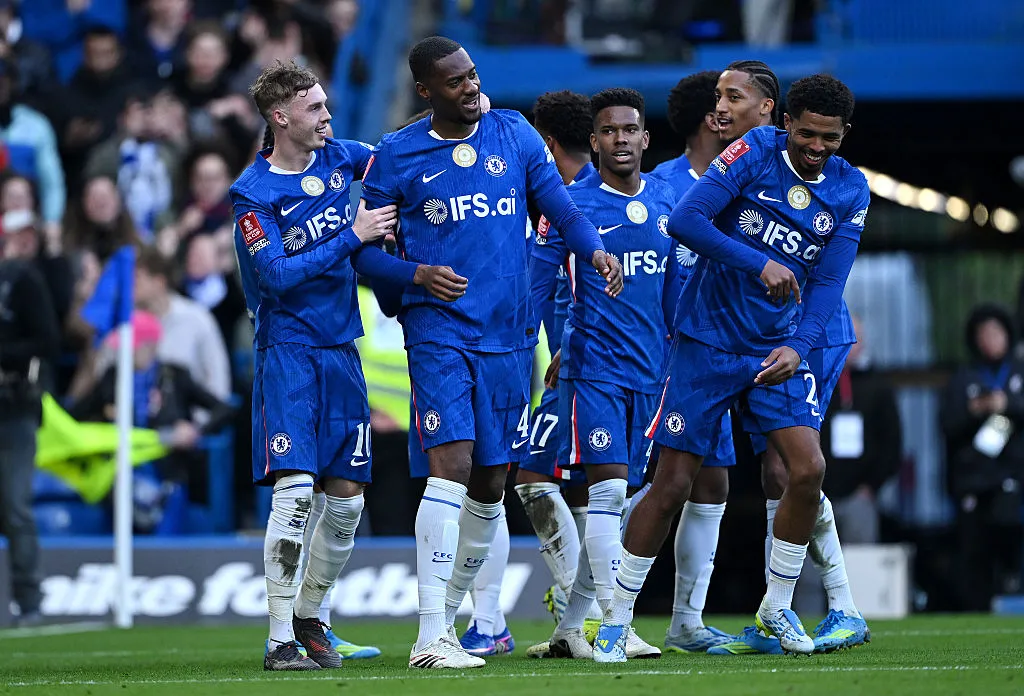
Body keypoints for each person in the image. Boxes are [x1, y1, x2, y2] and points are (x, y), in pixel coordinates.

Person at [361, 35, 622, 669]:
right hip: (440, 331)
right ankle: (430, 636)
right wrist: (415, 276)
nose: (471, 88)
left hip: (510, 336)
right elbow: (364, 251)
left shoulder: (514, 135)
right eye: (455, 82)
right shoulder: (396, 154)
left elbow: (559, 209)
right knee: (450, 465)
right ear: (427, 91)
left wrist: (593, 249)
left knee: (490, 480)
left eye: (473, 75)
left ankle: (456, 623)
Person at [595, 73, 869, 661]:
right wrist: (758, 264)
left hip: (776, 350)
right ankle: (615, 619)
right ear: (785, 123)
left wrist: (800, 345)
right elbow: (686, 220)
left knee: (806, 468)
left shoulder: (851, 191)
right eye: (806, 135)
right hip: (708, 343)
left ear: (844, 135)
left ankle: (777, 606)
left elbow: (827, 282)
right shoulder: (753, 151)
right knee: (671, 484)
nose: (816, 148)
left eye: (830, 138)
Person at [231, 60, 466, 671]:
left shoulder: (342, 157)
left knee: (346, 499)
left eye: (327, 106)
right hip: (289, 354)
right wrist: (353, 234)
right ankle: (279, 636)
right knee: (295, 492)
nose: (327, 117)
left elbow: (397, 151)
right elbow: (276, 276)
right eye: (314, 110)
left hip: (342, 349)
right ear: (280, 118)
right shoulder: (254, 196)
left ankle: (311, 618)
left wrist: (455, 111)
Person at [706, 62, 869, 656]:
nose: (720, 108)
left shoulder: (825, 176)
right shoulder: (731, 166)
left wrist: (800, 341)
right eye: (716, 98)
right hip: (751, 336)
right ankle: (788, 609)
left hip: (810, 336)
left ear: (769, 110)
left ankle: (836, 606)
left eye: (734, 98)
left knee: (792, 469)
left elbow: (826, 279)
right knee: (781, 471)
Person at [522, 88, 670, 662]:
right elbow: (538, 285)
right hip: (594, 369)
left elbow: (676, 290)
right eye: (610, 132)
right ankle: (618, 624)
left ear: (645, 137)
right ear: (595, 140)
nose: (621, 140)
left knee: (624, 498)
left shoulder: (664, 202)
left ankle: (572, 626)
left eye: (630, 130)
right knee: (605, 492)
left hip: (650, 372)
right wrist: (536, 347)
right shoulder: (568, 206)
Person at [644, 69, 738, 654]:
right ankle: (591, 594)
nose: (736, 111)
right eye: (726, 102)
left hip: (719, 354)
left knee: (711, 481)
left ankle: (687, 619)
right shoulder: (660, 188)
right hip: (662, 358)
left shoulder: (746, 184)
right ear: (713, 117)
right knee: (654, 483)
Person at [511, 89, 595, 644]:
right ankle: (590, 607)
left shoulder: (571, 202)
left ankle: (583, 600)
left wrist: (571, 340)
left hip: (588, 364)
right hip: (584, 360)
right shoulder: (591, 194)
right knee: (588, 488)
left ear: (545, 142)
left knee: (531, 475)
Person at [941, 304, 1024, 610]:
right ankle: (976, 607)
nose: (991, 339)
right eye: (984, 334)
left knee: (1011, 548)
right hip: (974, 481)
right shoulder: (964, 378)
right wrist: (974, 411)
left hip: (1013, 479)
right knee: (975, 553)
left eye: (996, 333)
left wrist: (1007, 404)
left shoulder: (1018, 372)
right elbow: (947, 424)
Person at [0, 225, 59, 626]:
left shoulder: (21, 279)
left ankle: (30, 601)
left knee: (15, 505)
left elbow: (48, 340)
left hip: (13, 403)